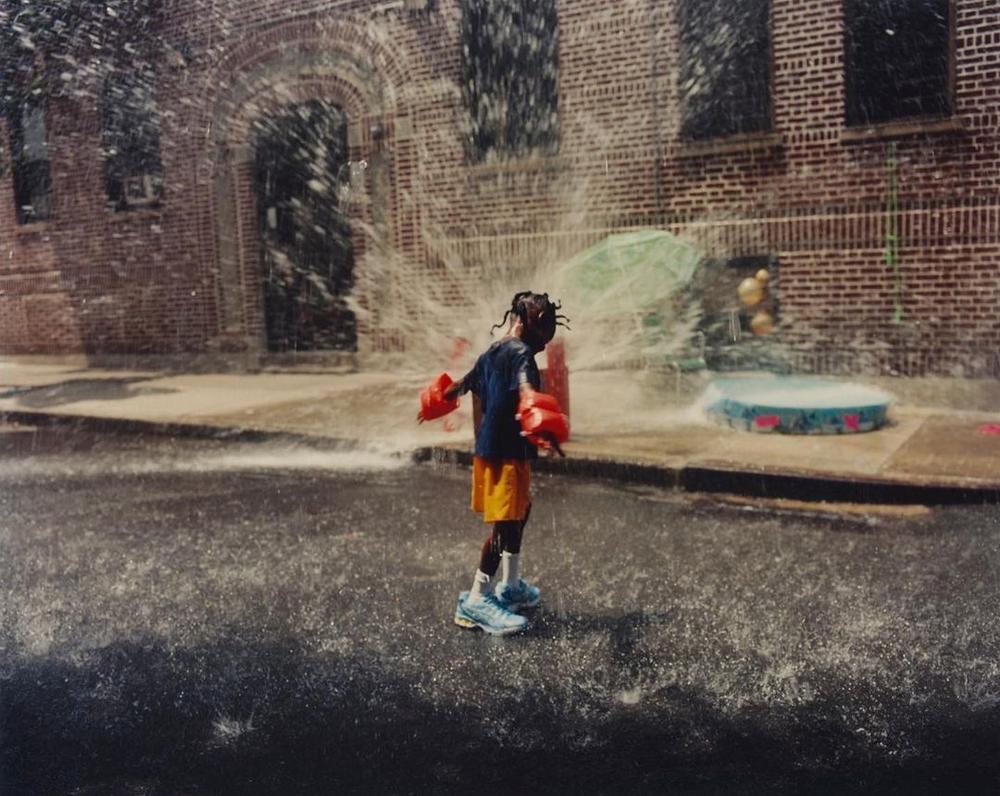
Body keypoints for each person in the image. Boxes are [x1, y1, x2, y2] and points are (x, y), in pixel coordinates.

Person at [417, 291, 570, 636]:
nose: (548, 339)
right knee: (504, 527)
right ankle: (476, 599)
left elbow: (462, 385)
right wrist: (544, 425)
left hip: (495, 450)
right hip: (505, 454)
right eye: (547, 329)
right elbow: (527, 390)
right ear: (531, 321)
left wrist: (433, 403)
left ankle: (510, 585)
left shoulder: (492, 352)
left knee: (520, 513)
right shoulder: (522, 355)